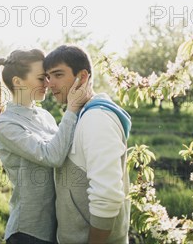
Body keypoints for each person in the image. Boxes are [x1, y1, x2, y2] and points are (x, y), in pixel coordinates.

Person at [0, 49, 92, 244]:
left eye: (49, 77)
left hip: (57, 227)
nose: (48, 83)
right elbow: (52, 156)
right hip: (29, 231)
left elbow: (64, 149)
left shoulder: (45, 116)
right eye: (41, 78)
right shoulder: (6, 124)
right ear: (18, 82)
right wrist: (71, 110)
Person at [44, 45, 132, 244]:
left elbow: (107, 196)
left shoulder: (96, 119)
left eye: (58, 75)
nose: (50, 84)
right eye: (48, 77)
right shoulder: (80, 116)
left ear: (82, 77)